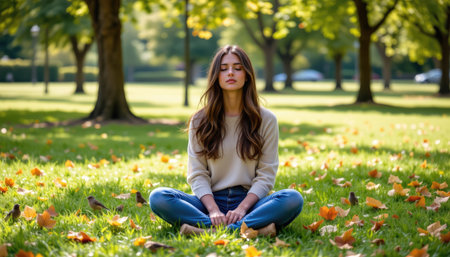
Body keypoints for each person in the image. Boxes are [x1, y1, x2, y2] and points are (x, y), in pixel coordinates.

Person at [149, 45, 303, 236]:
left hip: (251, 201)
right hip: (208, 201)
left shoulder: (267, 120)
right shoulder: (200, 120)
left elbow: (266, 174)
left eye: (238, 68)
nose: (230, 73)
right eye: (224, 68)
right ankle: (250, 229)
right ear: (216, 76)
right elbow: (197, 174)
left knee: (292, 198)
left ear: (247, 75)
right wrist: (213, 210)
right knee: (159, 196)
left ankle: (209, 230)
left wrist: (242, 209)